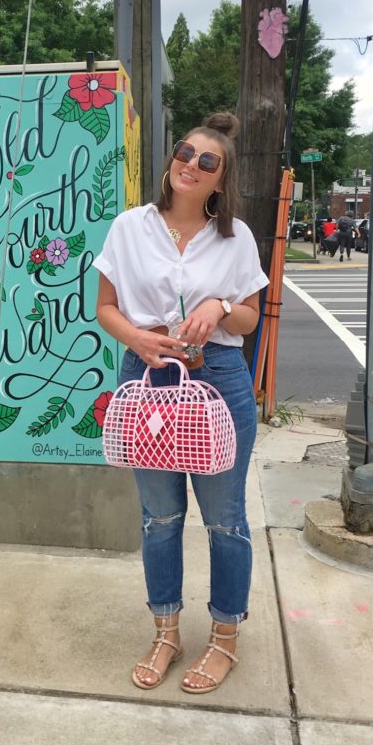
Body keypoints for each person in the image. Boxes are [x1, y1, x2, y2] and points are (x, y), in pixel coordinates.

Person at [93, 113, 269, 694]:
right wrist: (136, 338)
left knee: (225, 519)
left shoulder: (235, 237)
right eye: (183, 153)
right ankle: (166, 631)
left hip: (217, 376)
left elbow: (247, 319)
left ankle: (224, 639)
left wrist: (219, 305)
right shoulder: (129, 228)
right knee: (161, 518)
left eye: (206, 161)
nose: (190, 165)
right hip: (148, 377)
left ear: (221, 179)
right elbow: (106, 307)